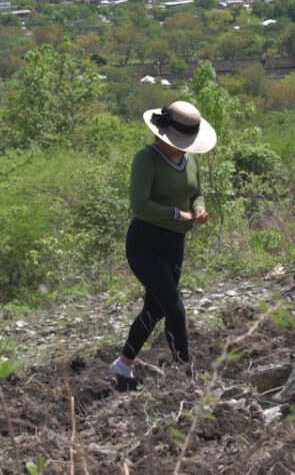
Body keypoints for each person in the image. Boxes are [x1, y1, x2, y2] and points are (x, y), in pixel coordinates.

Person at [110, 100, 216, 391]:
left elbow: (196, 193)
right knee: (174, 307)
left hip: (174, 243)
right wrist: (174, 214)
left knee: (155, 309)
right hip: (146, 242)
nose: (186, 146)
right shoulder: (146, 159)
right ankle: (186, 374)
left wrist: (199, 209)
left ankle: (123, 365)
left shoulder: (190, 159)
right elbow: (140, 204)